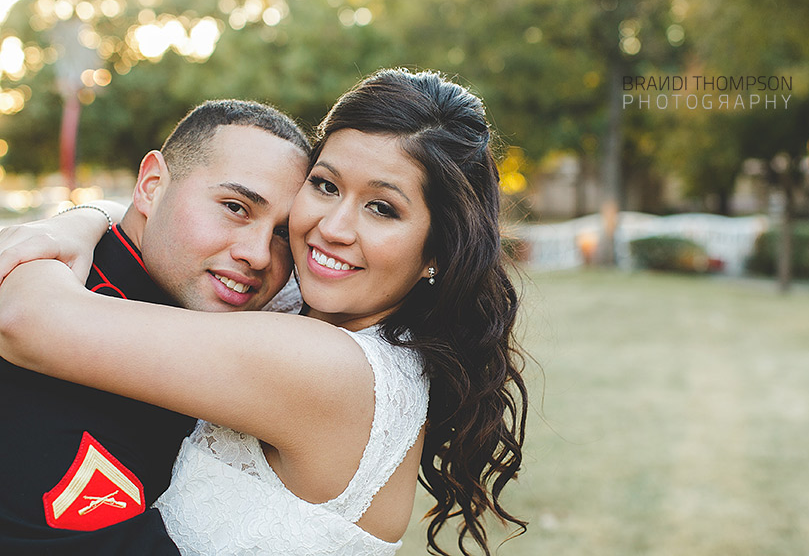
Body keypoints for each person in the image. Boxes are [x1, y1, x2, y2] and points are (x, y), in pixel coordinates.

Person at [0, 69, 528, 556]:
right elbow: (160, 215)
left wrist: (58, 231)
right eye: (326, 185)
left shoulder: (326, 367)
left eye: (382, 208)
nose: (333, 227)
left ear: (437, 251)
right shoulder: (317, 313)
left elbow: (25, 318)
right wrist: (90, 216)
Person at [0, 99, 310, 554]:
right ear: (150, 186)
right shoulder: (56, 329)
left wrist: (91, 214)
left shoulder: (248, 316)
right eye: (236, 207)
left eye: (284, 232)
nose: (260, 255)